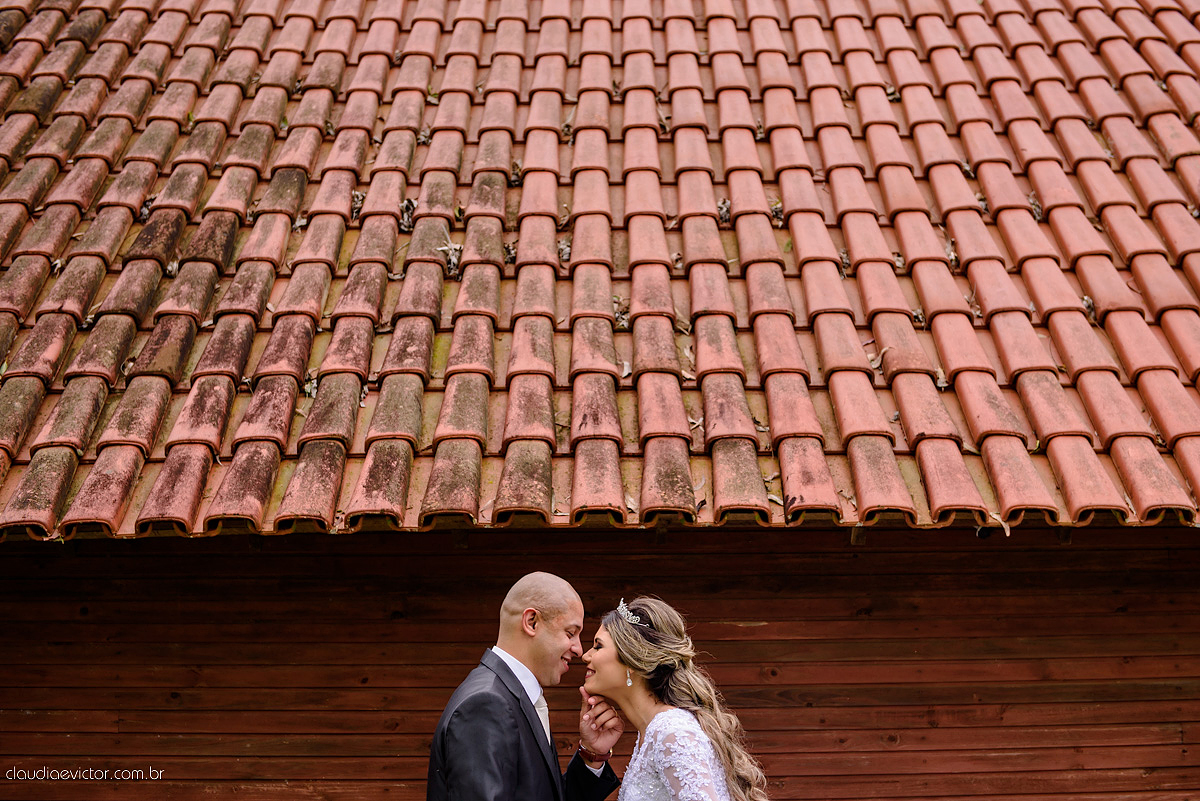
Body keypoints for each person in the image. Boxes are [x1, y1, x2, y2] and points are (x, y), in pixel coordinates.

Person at [428, 572, 623, 801]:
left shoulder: (511, 697)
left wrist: (592, 755)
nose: (579, 649)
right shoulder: (486, 704)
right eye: (570, 633)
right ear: (531, 622)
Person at [579, 597, 769, 801]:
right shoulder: (652, 733)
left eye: (598, 646)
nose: (585, 656)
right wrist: (593, 754)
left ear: (633, 659)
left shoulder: (672, 732)